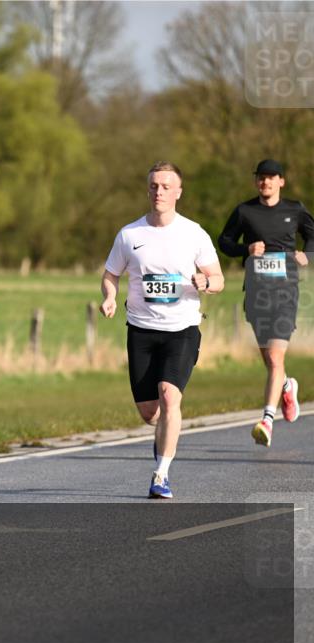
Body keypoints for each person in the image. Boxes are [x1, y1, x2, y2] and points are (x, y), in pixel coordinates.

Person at [100, 161, 224, 499]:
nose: (159, 191)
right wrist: (110, 297)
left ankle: (161, 474)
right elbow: (111, 274)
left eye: (166, 186)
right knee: (148, 412)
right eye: (154, 185)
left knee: (170, 395)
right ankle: (166, 437)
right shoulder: (130, 234)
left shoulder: (194, 233)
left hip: (181, 328)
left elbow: (219, 278)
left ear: (178, 192)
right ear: (148, 189)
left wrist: (206, 282)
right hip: (141, 330)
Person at [217, 159, 312, 446]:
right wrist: (246, 248)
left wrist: (308, 254)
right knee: (270, 361)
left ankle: (267, 420)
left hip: (286, 293)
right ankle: (286, 385)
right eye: (261, 177)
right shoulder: (245, 211)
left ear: (281, 181)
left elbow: (313, 236)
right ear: (256, 181)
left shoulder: (294, 209)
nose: (265, 182)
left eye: (271, 178)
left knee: (275, 358)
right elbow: (224, 241)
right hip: (257, 293)